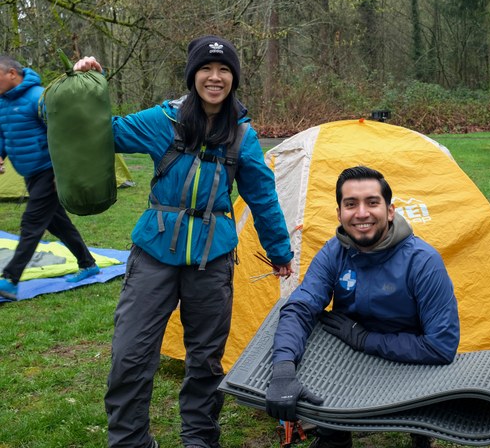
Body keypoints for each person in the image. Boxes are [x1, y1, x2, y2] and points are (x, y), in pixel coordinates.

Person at [73, 35, 294, 448]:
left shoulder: (243, 136)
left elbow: (263, 196)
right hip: (154, 253)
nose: (215, 77)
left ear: (234, 78)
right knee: (130, 355)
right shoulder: (163, 121)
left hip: (213, 259)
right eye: (206, 70)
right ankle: (130, 441)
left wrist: (279, 251)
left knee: (206, 360)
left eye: (224, 70)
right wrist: (88, 87)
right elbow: (105, 131)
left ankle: (200, 438)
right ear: (193, 76)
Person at [264, 166, 460, 448]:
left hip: (409, 359)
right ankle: (334, 431)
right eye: (350, 204)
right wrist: (283, 368)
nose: (361, 213)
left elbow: (442, 346)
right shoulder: (334, 251)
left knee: (418, 406)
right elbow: (301, 307)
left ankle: (420, 428)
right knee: (310, 323)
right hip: (348, 355)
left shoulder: (423, 261)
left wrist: (366, 339)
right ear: (339, 213)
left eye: (372, 202)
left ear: (390, 211)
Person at [0, 56, 100, 301]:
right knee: (58, 223)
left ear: (12, 74)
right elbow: (4, 133)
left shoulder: (40, 98)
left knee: (31, 223)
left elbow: (64, 134)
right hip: (29, 173)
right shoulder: (2, 103)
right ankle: (88, 264)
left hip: (49, 171)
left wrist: (62, 171)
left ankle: (10, 279)